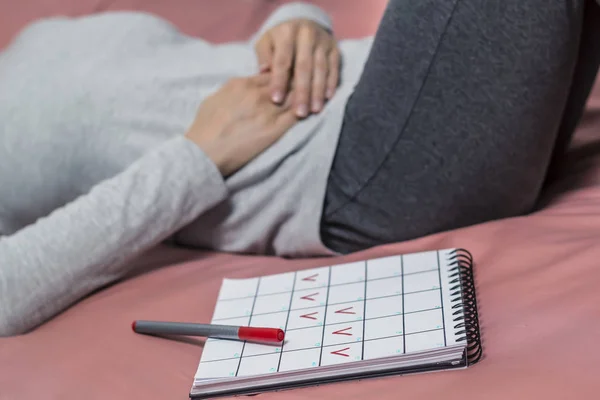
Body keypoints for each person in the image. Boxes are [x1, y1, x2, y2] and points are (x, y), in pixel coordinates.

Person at [1, 0, 599, 337]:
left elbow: (183, 73)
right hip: (354, 171)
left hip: (399, 79)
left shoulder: (38, 39)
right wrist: (199, 156)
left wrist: (294, 22)